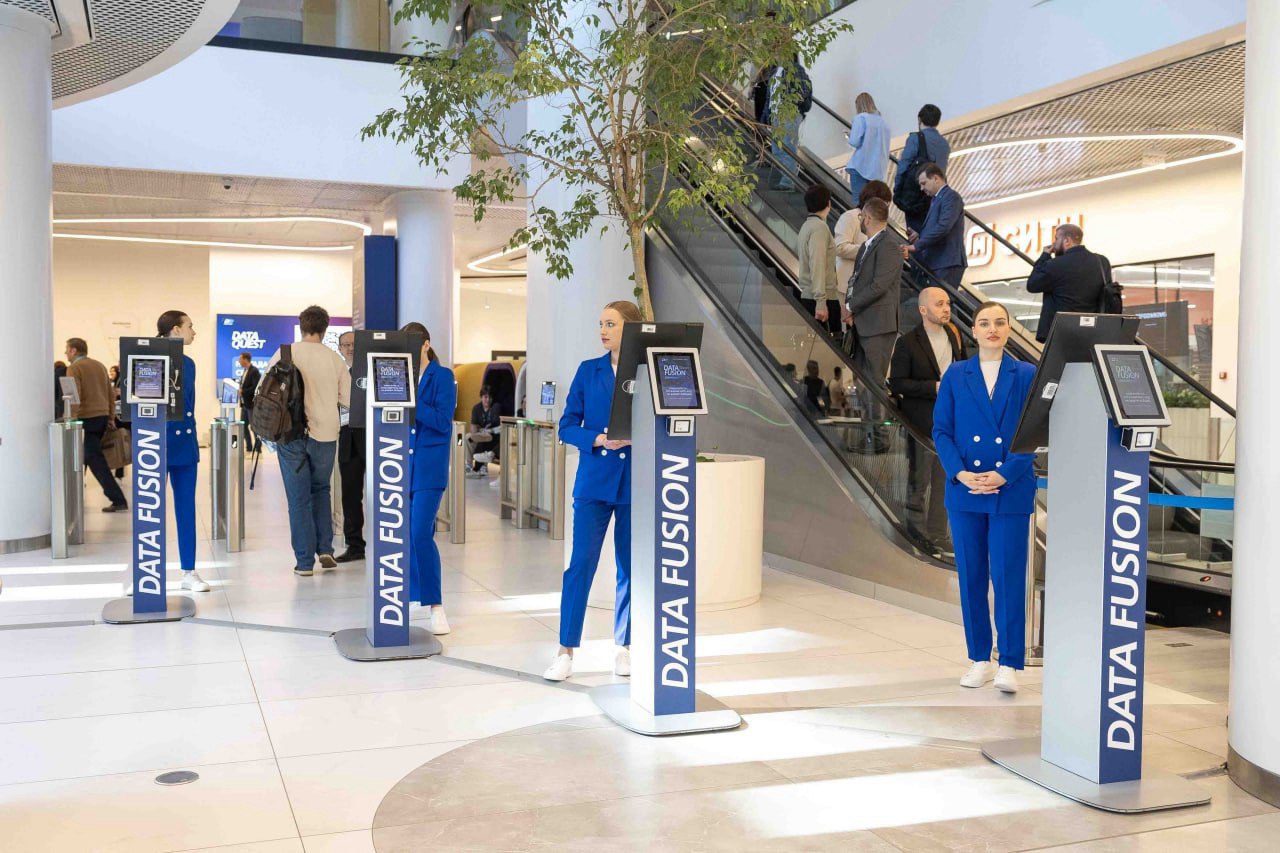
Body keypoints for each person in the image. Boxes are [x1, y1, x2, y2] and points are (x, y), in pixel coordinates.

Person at [932, 301, 1036, 694]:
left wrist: (1005, 473)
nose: (992, 328)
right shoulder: (956, 374)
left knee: (1008, 577)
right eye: (984, 322)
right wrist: (960, 473)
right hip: (966, 490)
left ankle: (1009, 662)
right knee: (972, 576)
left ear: (1009, 329)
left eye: (999, 322)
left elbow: (1034, 432)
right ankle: (979, 658)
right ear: (973, 330)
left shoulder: (1026, 374)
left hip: (1010, 488)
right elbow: (941, 430)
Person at [543, 300, 640, 682]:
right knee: (580, 564)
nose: (603, 330)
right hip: (594, 483)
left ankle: (625, 647)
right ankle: (565, 650)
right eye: (601, 323)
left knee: (629, 567)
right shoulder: (588, 370)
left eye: (611, 324)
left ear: (630, 328)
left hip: (634, 483)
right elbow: (567, 425)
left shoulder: (647, 371)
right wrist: (598, 438)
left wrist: (636, 438)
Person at [273, 305, 351, 577]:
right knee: (321, 489)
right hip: (326, 434)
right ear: (325, 329)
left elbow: (265, 394)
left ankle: (304, 562)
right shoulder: (334, 359)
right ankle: (326, 549)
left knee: (298, 499)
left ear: (302, 326)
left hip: (291, 435)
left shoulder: (285, 353)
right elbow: (347, 399)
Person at [890, 287, 966, 551]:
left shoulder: (954, 337)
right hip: (921, 424)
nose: (946, 309)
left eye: (948, 303)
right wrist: (933, 387)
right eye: (939, 304)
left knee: (944, 481)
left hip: (950, 424)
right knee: (919, 482)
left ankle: (938, 534)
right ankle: (916, 534)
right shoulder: (908, 342)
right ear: (923, 310)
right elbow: (897, 383)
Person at [152, 311, 211, 592]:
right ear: (175, 330)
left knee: (186, 508)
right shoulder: (149, 358)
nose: (193, 331)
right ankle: (145, 572)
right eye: (190, 326)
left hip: (184, 443)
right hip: (154, 443)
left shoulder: (189, 363)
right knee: (149, 511)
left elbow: (189, 404)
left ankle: (189, 570)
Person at [403, 322, 454, 635]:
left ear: (425, 344)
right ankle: (412, 596)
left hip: (429, 467)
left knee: (421, 531)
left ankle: (435, 604)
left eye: (413, 344)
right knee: (406, 533)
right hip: (401, 466)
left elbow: (442, 421)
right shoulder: (400, 376)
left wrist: (411, 400)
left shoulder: (442, 376)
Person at [843, 198, 904, 453]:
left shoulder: (889, 245)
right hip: (863, 323)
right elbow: (859, 281)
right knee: (863, 383)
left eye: (861, 218)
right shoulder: (868, 246)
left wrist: (851, 305)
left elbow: (879, 285)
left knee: (875, 384)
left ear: (867, 218)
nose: (861, 221)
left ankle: (879, 440)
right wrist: (851, 307)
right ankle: (870, 437)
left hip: (878, 325)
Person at [64, 338, 129, 512]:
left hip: (86, 418)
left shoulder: (74, 368)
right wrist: (110, 417)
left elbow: (73, 396)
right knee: (86, 456)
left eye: (67, 350)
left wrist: (71, 418)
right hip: (101, 417)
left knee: (94, 458)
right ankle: (74, 498)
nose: (65, 353)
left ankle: (118, 499)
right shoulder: (99, 365)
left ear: (73, 350)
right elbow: (110, 393)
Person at [1025, 223, 1113, 343]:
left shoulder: (1055, 264)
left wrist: (1045, 255)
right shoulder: (1101, 262)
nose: (1054, 243)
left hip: (1062, 332)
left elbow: (1032, 285)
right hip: (1092, 331)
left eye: (1056, 239)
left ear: (1067, 241)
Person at [833, 181, 893, 324]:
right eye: (883, 203)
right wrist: (868, 249)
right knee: (846, 326)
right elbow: (840, 247)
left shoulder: (879, 223)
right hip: (846, 285)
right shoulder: (850, 217)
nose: (885, 208)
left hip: (866, 288)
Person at [903, 163, 967, 287]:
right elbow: (939, 226)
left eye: (924, 183)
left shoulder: (951, 197)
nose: (921, 188)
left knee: (940, 297)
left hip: (947, 261)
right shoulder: (936, 199)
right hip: (939, 261)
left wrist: (916, 246)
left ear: (936, 178)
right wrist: (920, 235)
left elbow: (944, 227)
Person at [894, 103, 951, 234]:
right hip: (934, 197)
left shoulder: (915, 139)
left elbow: (903, 166)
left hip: (915, 195)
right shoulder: (944, 144)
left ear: (919, 119)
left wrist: (898, 188)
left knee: (914, 233)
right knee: (929, 233)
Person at [335, 331, 365, 563]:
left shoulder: (370, 371)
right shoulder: (337, 373)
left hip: (371, 437)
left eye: (354, 344)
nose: (350, 348)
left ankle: (388, 541)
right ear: (339, 348)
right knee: (350, 495)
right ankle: (355, 545)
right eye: (345, 344)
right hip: (347, 439)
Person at [797, 185, 840, 335]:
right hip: (822, 299)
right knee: (832, 345)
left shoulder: (806, 226)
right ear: (828, 203)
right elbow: (817, 263)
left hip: (811, 296)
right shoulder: (819, 228)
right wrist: (821, 302)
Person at [765, 55, 811, 190]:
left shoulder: (795, 69)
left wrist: (790, 105)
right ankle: (786, 178)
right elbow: (770, 97)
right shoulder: (774, 72)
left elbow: (803, 90)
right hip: (775, 115)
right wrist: (766, 117)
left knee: (788, 148)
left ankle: (788, 182)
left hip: (789, 114)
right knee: (776, 150)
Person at [844, 92, 891, 202]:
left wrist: (849, 136)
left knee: (859, 202)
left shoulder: (861, 118)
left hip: (860, 166)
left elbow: (855, 142)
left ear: (859, 105)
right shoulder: (883, 123)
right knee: (873, 203)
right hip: (877, 170)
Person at [466, 385, 502, 478]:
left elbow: (499, 427)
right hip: (480, 434)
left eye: (490, 397)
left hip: (493, 436)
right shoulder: (476, 408)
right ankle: (468, 466)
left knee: (486, 437)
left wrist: (488, 430)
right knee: (466, 438)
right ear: (481, 397)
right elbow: (473, 429)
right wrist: (481, 430)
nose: (488, 400)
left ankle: (483, 466)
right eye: (485, 397)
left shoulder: (496, 407)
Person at [238, 352, 261, 453]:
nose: (239, 361)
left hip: (251, 405)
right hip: (244, 404)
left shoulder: (254, 371)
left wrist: (243, 391)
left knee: (254, 427)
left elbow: (255, 387)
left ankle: (258, 448)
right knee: (243, 426)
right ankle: (249, 447)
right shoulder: (245, 371)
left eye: (240, 359)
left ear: (245, 359)